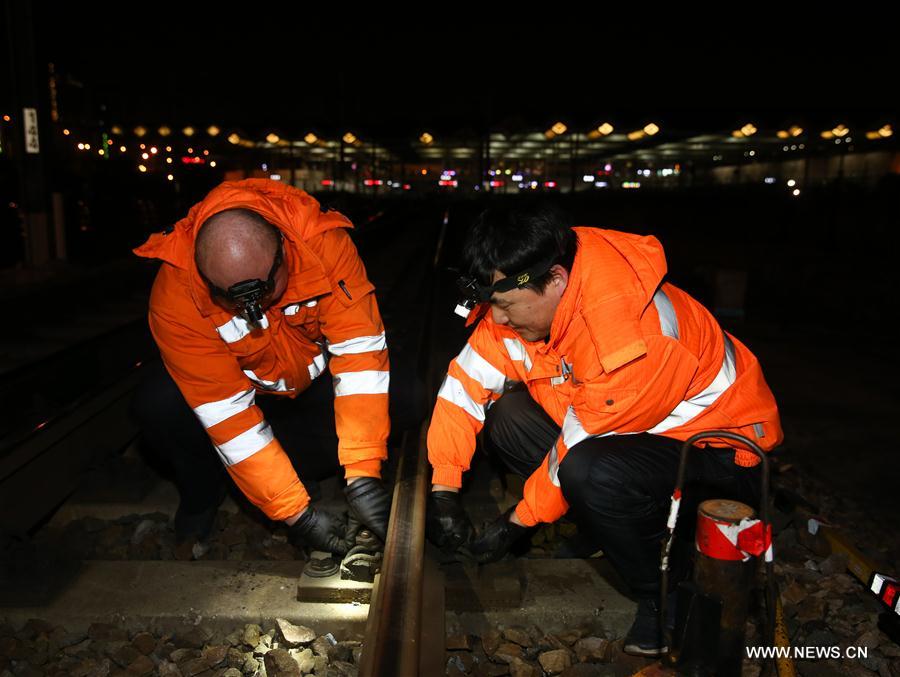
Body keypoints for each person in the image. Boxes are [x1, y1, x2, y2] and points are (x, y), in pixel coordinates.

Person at [425, 203, 782, 656]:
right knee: (510, 419)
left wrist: (516, 523)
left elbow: (575, 447)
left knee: (589, 473)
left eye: (505, 305)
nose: (496, 320)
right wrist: (444, 488)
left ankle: (665, 594)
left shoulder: (628, 337)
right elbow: (463, 388)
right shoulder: (537, 299)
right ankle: (608, 526)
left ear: (556, 280)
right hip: (632, 436)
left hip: (722, 456)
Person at [132, 179, 392, 557]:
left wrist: (364, 474)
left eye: (263, 291)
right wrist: (297, 515)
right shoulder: (176, 295)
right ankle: (204, 490)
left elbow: (359, 359)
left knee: (408, 397)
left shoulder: (322, 242)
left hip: (314, 389)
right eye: (231, 298)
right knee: (159, 404)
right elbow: (229, 417)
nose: (251, 309)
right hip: (254, 396)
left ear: (284, 251)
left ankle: (296, 468)